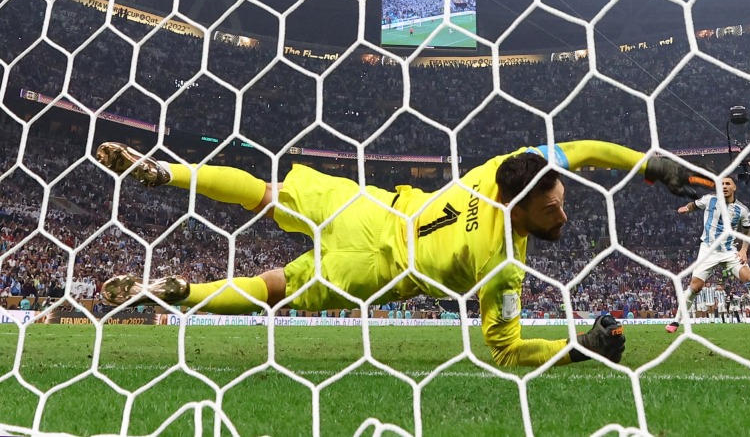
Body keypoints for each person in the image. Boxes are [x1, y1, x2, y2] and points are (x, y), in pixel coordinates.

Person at [95, 140, 712, 367]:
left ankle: (162, 172)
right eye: (551, 209)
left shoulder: (506, 168)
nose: (564, 212)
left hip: (372, 206)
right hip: (377, 270)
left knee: (265, 192)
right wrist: (573, 349)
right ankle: (171, 293)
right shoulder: (500, 261)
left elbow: (584, 149)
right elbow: (502, 351)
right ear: (517, 207)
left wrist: (648, 165)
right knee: (273, 288)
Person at [665, 177, 750, 333]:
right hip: (708, 250)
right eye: (722, 184)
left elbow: (747, 230)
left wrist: (743, 250)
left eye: (728, 184)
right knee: (696, 286)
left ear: (734, 187)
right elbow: (694, 205)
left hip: (729, 251)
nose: (725, 186)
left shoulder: (742, 210)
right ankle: (675, 322)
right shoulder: (709, 199)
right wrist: (686, 209)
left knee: (749, 279)